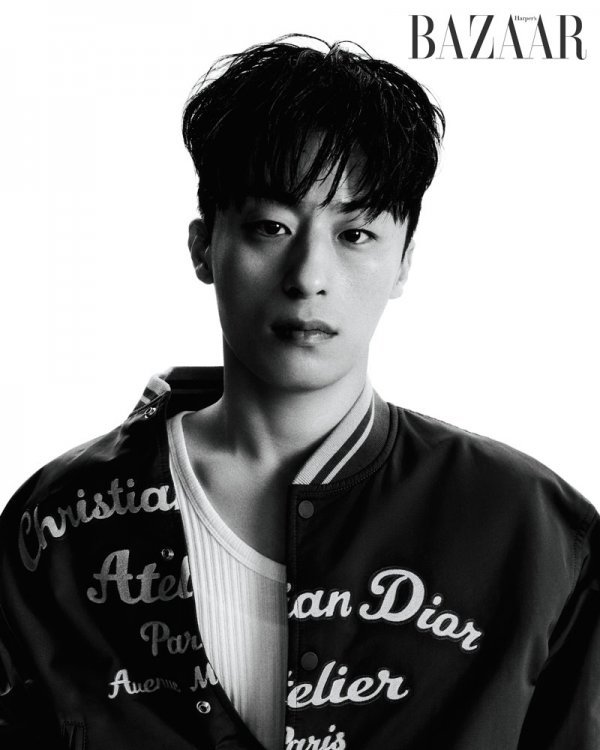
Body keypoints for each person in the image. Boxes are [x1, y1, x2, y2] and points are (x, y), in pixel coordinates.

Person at [0, 35, 598, 750]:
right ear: (203, 246)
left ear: (404, 261)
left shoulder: (532, 532)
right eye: (270, 227)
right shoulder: (59, 527)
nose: (309, 275)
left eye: (356, 234)